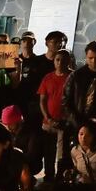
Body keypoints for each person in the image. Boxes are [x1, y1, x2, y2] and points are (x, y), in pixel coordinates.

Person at [33, 49, 72, 183]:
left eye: (63, 60)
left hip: (64, 122)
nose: (60, 63)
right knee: (48, 151)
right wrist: (48, 118)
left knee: (62, 153)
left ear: (69, 61)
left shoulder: (72, 77)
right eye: (57, 59)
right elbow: (42, 100)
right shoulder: (48, 77)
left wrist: (66, 119)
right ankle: (49, 176)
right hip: (48, 121)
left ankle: (60, 177)